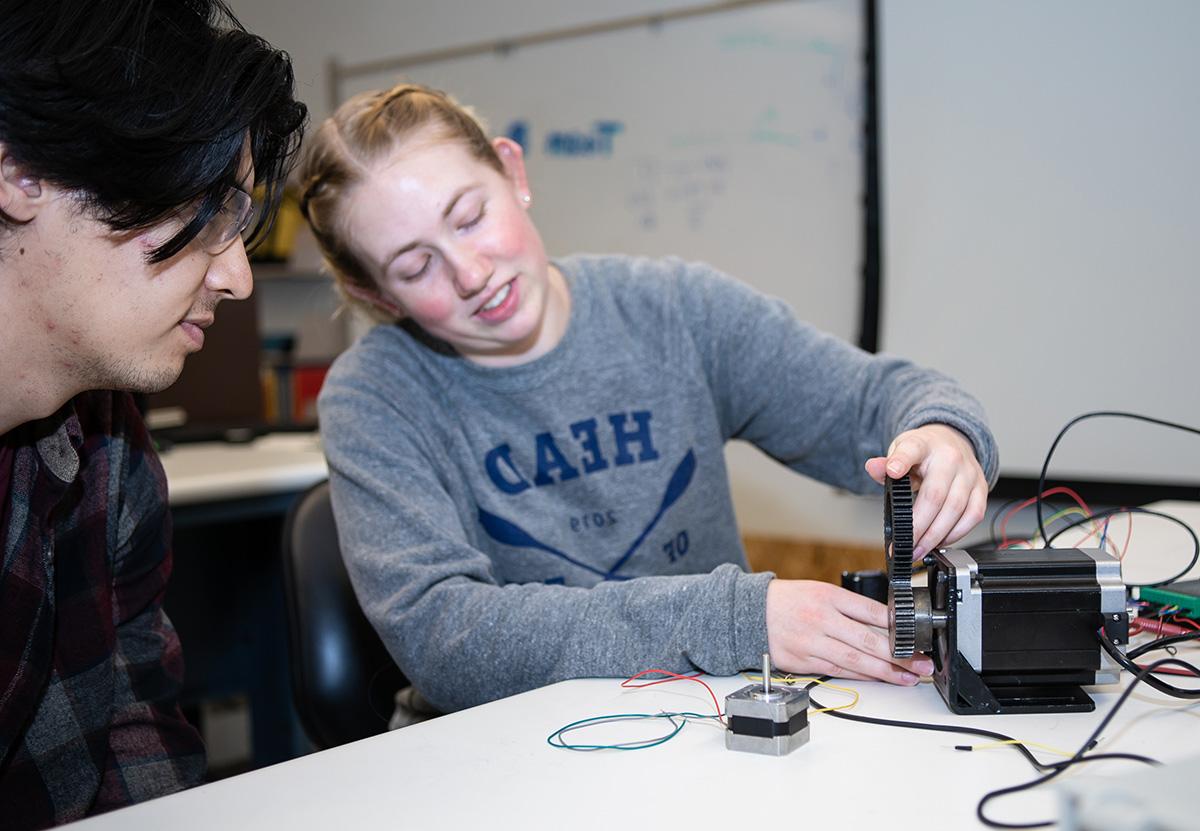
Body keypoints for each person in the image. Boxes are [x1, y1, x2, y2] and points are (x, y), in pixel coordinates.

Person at [299, 83, 997, 722]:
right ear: (376, 296)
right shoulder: (374, 396)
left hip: (708, 728)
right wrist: (739, 620)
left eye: (471, 216)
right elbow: (447, 636)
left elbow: (873, 401)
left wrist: (943, 433)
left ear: (513, 172)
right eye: (417, 266)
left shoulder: (672, 311)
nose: (471, 272)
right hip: (499, 752)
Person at [0, 1, 306, 826]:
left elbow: (134, 728)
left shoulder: (108, 445)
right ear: (23, 173)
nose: (239, 279)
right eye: (209, 206)